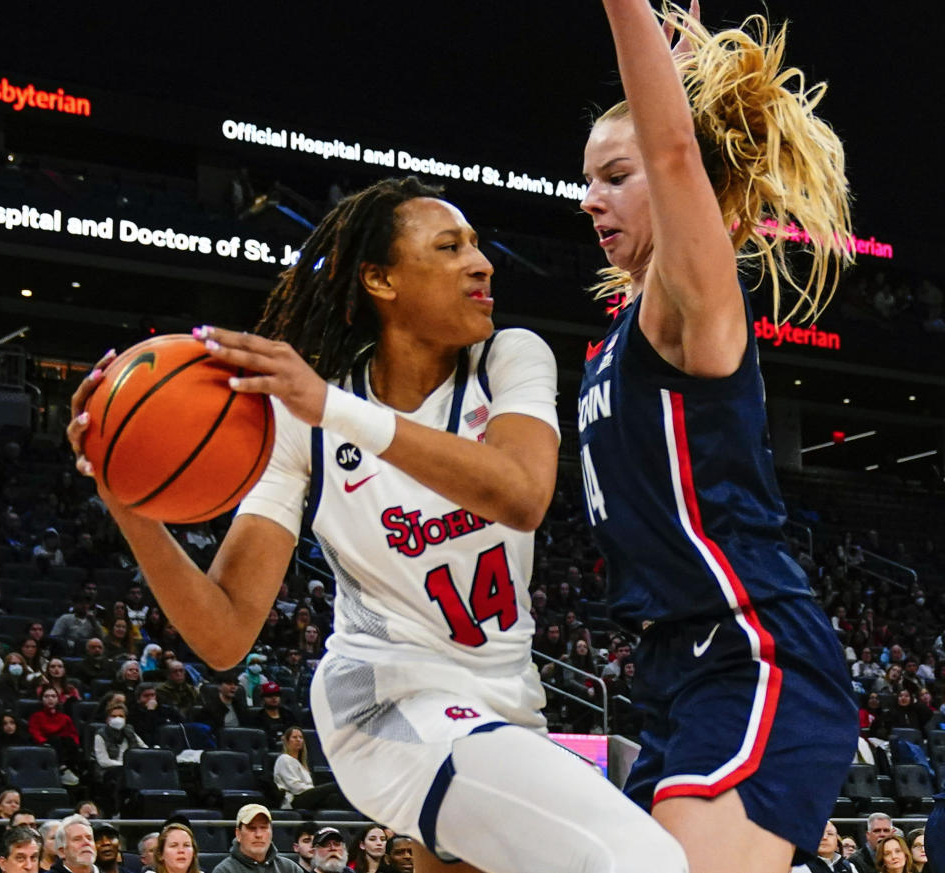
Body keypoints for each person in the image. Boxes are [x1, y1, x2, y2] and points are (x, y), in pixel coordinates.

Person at [70, 174, 687, 873]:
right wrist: (128, 503)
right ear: (380, 278)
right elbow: (223, 632)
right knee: (639, 857)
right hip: (388, 705)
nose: (481, 263)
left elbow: (521, 494)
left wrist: (332, 405)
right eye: (450, 247)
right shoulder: (302, 426)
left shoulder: (510, 358)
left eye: (478, 247)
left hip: (506, 704)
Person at [529, 0, 857, 873]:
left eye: (612, 174)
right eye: (586, 180)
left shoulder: (691, 303)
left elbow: (677, 153)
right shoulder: (614, 344)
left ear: (698, 201)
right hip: (675, 668)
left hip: (755, 654)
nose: (593, 197)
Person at [210, 805, 298, 873]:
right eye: (251, 828)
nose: (258, 834)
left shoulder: (290, 869)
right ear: (238, 834)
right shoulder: (224, 870)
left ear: (271, 832)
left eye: (263, 827)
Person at [92, 702, 146, 813]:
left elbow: (144, 749)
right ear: (107, 719)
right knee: (121, 776)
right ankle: (117, 810)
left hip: (129, 771)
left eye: (121, 716)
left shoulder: (130, 732)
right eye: (114, 716)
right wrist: (125, 765)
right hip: (107, 772)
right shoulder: (100, 735)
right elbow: (103, 762)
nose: (118, 719)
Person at [272, 726, 342, 811]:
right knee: (336, 785)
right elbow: (295, 787)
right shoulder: (284, 759)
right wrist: (314, 791)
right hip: (294, 799)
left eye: (300, 737)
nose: (298, 740)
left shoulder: (301, 763)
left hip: (306, 795)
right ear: (287, 741)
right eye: (294, 737)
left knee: (333, 798)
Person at [28, 687, 82, 786]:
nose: (50, 699)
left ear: (58, 699)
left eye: (53, 696)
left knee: (69, 741)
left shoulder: (64, 718)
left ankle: (73, 770)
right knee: (55, 739)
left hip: (64, 747)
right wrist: (44, 743)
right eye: (46, 696)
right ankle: (63, 769)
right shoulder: (36, 716)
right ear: (42, 699)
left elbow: (72, 734)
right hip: (45, 745)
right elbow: (35, 733)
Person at [256, 682, 296, 749]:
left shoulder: (288, 714)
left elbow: (297, 731)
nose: (274, 698)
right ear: (263, 698)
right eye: (270, 695)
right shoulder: (258, 717)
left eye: (276, 695)